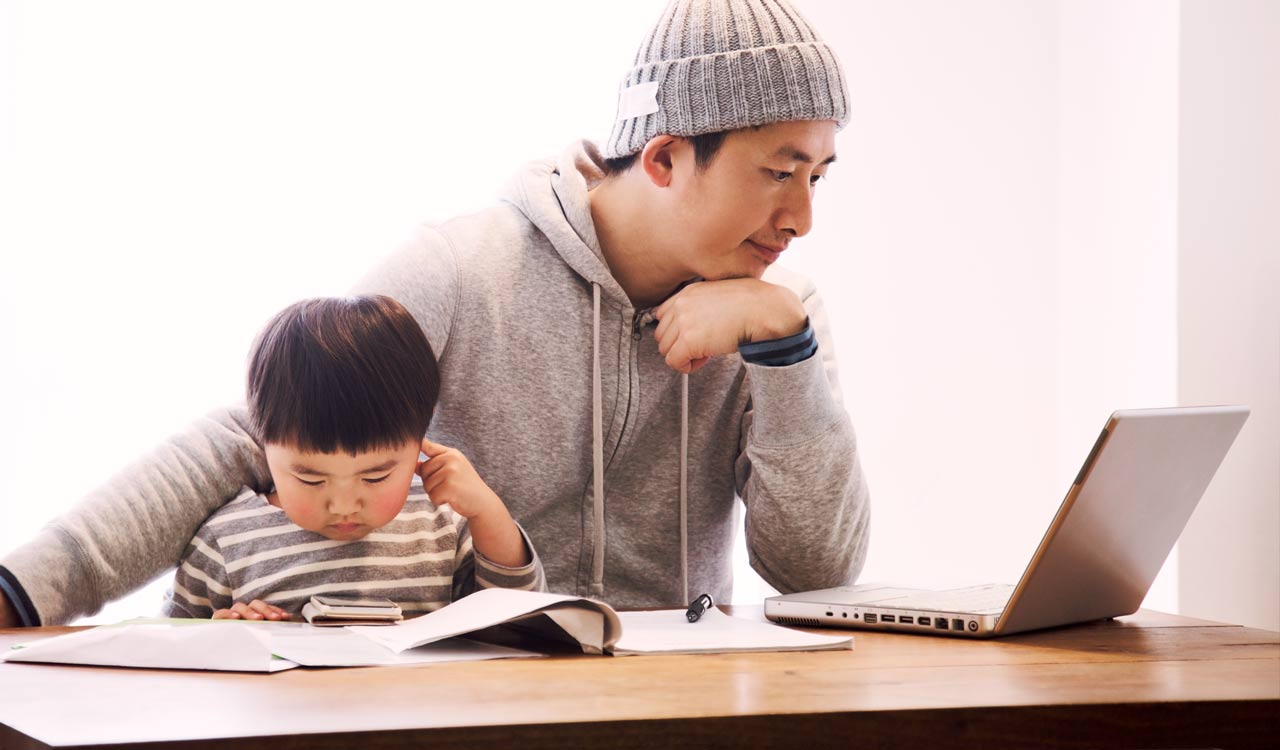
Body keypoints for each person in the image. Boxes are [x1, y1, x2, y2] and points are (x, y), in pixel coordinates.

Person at [0, 0, 870, 626]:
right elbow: (260, 433)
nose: (802, 217)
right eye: (777, 171)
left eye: (818, 176)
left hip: (671, 705)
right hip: (464, 702)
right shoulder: (464, 269)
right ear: (668, 156)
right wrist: (24, 589)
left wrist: (785, 353)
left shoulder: (775, 316)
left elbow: (817, 573)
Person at [164, 295, 545, 621]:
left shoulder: (443, 524)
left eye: (375, 477)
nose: (344, 504)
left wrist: (488, 513)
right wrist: (219, 639)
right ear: (264, 445)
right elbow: (163, 659)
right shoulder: (226, 543)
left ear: (419, 444)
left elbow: (523, 622)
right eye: (311, 479)